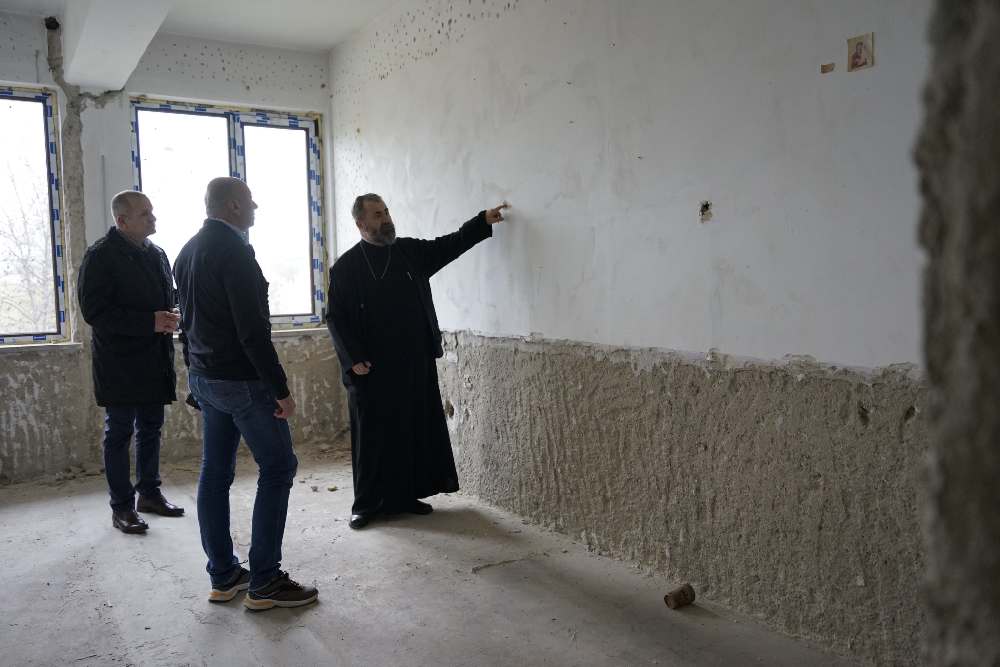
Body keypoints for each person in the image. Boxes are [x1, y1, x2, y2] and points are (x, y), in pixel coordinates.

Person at [173, 177, 318, 610]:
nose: (256, 207)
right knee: (278, 467)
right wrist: (280, 389)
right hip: (241, 382)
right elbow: (253, 331)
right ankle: (266, 581)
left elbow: (186, 325)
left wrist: (194, 376)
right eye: (250, 201)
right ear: (234, 206)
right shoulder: (235, 252)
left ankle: (224, 576)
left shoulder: (187, 251)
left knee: (214, 473)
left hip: (207, 379)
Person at [327, 194, 508, 529]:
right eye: (377, 215)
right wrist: (352, 358)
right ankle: (366, 505)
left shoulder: (408, 251)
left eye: (386, 211)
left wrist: (480, 222)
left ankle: (405, 496)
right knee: (372, 436)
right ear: (361, 223)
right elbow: (336, 318)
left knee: (410, 430)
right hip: (370, 368)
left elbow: (448, 246)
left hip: (413, 360)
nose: (385, 218)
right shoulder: (346, 267)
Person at [78, 191, 185, 534]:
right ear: (122, 221)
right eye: (145, 214)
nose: (153, 218)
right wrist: (149, 322)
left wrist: (173, 313)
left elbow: (167, 296)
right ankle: (122, 506)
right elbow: (94, 312)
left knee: (151, 427)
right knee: (120, 432)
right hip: (119, 363)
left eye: (152, 211)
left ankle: (149, 494)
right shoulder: (100, 256)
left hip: (154, 358)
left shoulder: (157, 253)